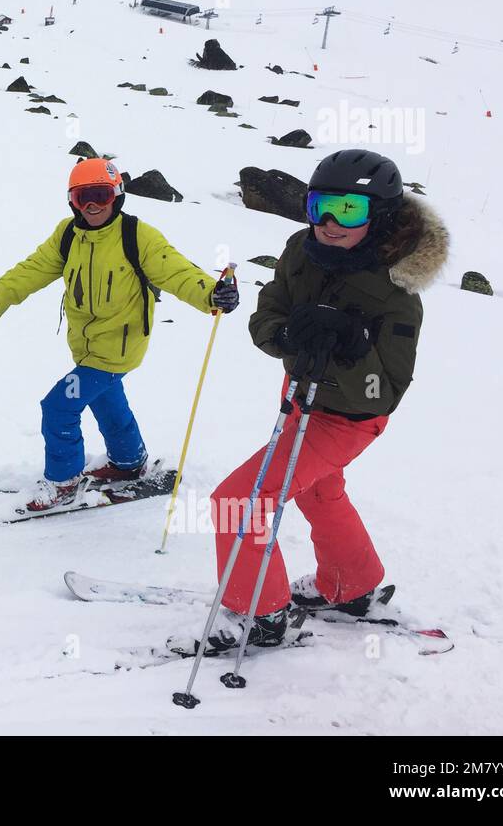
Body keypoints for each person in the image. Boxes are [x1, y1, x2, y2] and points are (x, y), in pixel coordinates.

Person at [181, 148, 448, 654]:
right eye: (320, 204)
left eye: (349, 210)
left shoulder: (397, 293)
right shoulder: (302, 250)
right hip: (299, 398)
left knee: (239, 503)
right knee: (319, 490)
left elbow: (383, 394)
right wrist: (290, 335)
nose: (329, 222)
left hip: (348, 419)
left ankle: (259, 614)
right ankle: (351, 586)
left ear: (381, 215)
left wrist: (351, 346)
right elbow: (268, 314)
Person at [0, 158, 239, 511]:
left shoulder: (137, 237)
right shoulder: (67, 236)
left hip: (119, 349)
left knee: (58, 407)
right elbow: (30, 271)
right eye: (82, 198)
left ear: (117, 196)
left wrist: (211, 293)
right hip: (86, 347)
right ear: (72, 202)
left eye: (100, 196)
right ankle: (129, 461)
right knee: (107, 399)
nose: (92, 206)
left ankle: (63, 484)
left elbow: (177, 271)